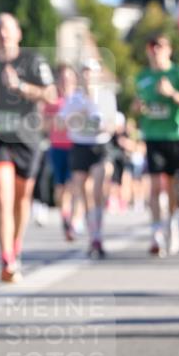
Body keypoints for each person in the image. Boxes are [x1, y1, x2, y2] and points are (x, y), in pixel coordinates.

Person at [0, 13, 56, 282]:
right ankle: (6, 257)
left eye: (7, 29)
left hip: (26, 138)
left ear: (18, 33)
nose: (2, 34)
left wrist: (20, 86)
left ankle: (16, 244)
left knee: (22, 199)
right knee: (1, 196)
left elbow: (51, 94)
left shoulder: (33, 61)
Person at [134, 34, 179, 256]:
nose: (155, 50)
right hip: (153, 136)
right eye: (151, 46)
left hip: (175, 135)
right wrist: (138, 108)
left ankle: (172, 225)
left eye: (159, 46)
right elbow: (139, 106)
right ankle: (156, 232)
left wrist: (172, 94)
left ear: (169, 49)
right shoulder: (143, 76)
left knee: (173, 186)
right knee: (156, 185)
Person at [61, 59, 118, 259]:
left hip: (100, 145)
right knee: (82, 190)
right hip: (80, 145)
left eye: (90, 72)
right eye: (84, 71)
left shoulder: (106, 96)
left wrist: (100, 122)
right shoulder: (74, 97)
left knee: (97, 189)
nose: (87, 76)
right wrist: (77, 116)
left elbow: (113, 123)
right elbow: (62, 122)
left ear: (97, 74)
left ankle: (98, 233)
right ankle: (91, 233)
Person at [43, 63, 77, 241]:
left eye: (69, 78)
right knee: (60, 187)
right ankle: (65, 217)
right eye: (63, 78)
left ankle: (74, 221)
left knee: (74, 185)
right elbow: (43, 125)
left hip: (76, 146)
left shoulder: (79, 99)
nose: (66, 81)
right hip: (57, 147)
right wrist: (55, 120)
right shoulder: (52, 102)